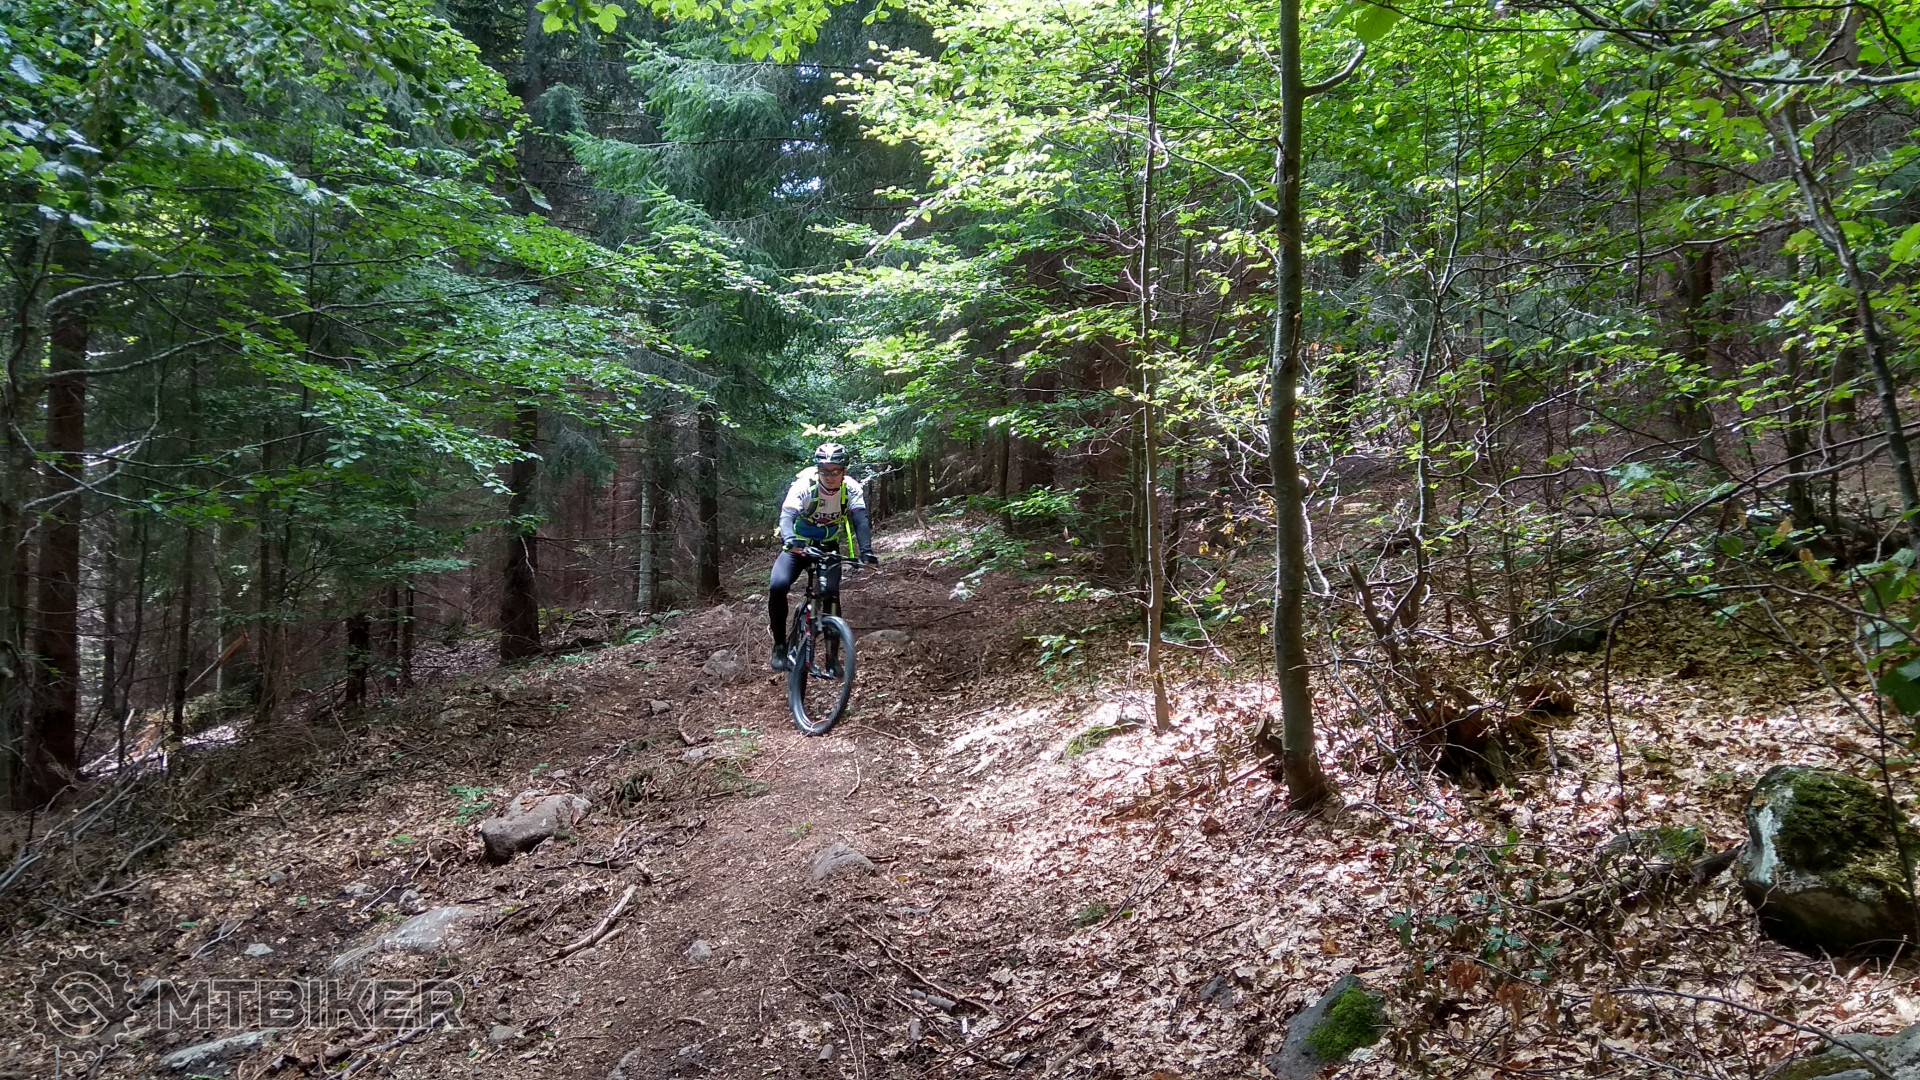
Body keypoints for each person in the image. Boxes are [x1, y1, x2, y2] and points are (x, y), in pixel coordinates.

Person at [769, 443, 878, 671]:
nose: (830, 476)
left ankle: (832, 657)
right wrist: (790, 540)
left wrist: (866, 552)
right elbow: (787, 516)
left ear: (844, 471)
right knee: (778, 585)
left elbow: (860, 520)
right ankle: (779, 645)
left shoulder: (851, 489)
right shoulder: (804, 485)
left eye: (835, 470)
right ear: (818, 469)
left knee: (830, 594)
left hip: (828, 547)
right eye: (825, 471)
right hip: (799, 546)